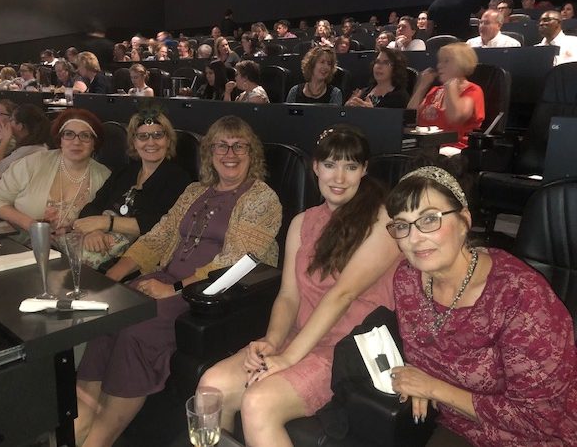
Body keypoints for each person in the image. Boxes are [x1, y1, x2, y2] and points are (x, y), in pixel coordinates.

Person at [74, 115, 282, 447]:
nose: (229, 153)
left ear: (252, 153)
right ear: (209, 153)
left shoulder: (262, 198)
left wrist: (172, 289)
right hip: (164, 278)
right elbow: (157, 238)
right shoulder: (194, 191)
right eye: (221, 146)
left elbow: (235, 262)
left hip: (207, 295)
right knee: (107, 315)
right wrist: (111, 279)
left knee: (134, 332)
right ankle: (78, 425)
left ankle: (97, 441)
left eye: (239, 146)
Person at [199, 125, 400, 447]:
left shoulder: (383, 222)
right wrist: (272, 341)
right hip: (298, 336)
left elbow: (342, 294)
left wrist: (288, 358)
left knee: (258, 402)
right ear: (316, 167)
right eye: (330, 165)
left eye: (350, 167)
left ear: (364, 170)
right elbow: (289, 296)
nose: (339, 177)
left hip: (345, 348)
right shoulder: (302, 223)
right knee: (212, 388)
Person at [385, 163, 577, 446]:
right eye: (402, 225)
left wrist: (432, 388)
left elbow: (539, 419)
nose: (414, 238)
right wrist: (418, 383)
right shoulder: (407, 279)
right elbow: (421, 357)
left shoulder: (519, 295)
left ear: (464, 220)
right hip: (457, 425)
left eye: (429, 219)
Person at [73, 110, 191, 269]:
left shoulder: (179, 179)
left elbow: (161, 225)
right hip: (96, 243)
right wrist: (94, 232)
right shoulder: (124, 171)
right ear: (134, 142)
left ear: (168, 140)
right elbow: (93, 206)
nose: (151, 142)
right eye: (143, 136)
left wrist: (106, 222)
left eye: (158, 135)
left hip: (134, 258)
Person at [0, 108, 110, 241]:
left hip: (73, 250)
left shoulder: (105, 177)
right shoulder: (31, 164)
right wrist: (31, 225)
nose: (76, 142)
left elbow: (108, 221)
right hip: (22, 244)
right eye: (68, 134)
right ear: (60, 140)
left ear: (94, 143)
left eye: (85, 136)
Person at [408, 42, 485, 151]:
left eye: (446, 61)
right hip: (425, 147)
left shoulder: (473, 90)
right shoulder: (435, 90)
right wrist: (422, 86)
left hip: (454, 148)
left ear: (462, 63)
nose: (439, 65)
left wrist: (451, 87)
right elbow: (410, 118)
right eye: (440, 61)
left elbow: (455, 118)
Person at [0, 103, 51, 181]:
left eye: (11, 120)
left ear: (20, 126)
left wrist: (5, 140)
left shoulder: (26, 151)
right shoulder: (39, 147)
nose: (8, 123)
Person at [345, 47, 410, 109]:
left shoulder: (400, 98)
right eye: (377, 62)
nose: (379, 66)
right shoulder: (364, 92)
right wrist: (347, 107)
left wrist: (372, 112)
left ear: (396, 68)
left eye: (386, 63)